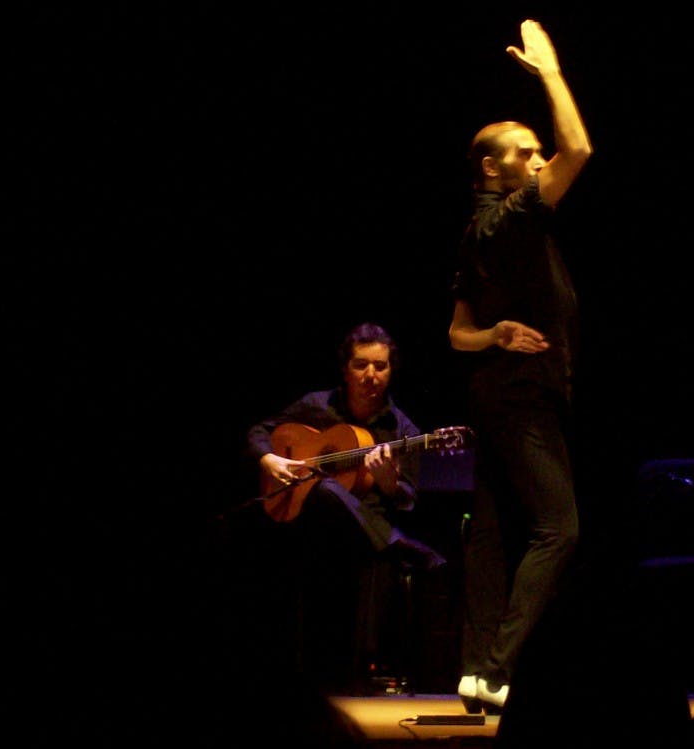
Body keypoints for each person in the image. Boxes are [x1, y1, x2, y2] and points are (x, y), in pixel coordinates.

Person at [447, 19, 592, 712]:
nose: (540, 162)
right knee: (559, 527)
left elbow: (458, 333)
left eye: (538, 153)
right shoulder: (509, 218)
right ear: (493, 167)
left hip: (496, 389)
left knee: (497, 529)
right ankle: (505, 669)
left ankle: (478, 669)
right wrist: (552, 74)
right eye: (525, 153)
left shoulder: (480, 230)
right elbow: (580, 148)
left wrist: (496, 331)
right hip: (521, 396)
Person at [245, 321, 447, 695]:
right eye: (361, 365)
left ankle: (385, 542)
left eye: (381, 366)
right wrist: (270, 461)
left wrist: (389, 483)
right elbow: (259, 431)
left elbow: (407, 499)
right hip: (307, 521)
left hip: (362, 530)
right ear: (345, 369)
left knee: (327, 492)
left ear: (391, 370)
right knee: (321, 491)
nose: (371, 375)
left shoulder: (404, 430)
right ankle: (395, 544)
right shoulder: (317, 406)